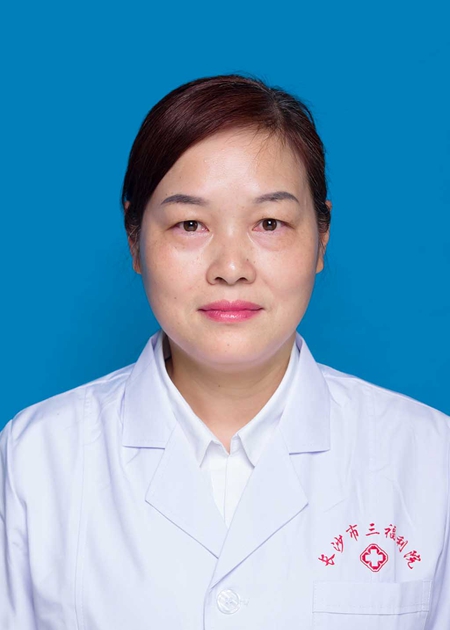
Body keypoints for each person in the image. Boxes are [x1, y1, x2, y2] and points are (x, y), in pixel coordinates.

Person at [0, 73, 448, 630]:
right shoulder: (33, 461)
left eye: (269, 223)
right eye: (190, 224)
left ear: (322, 237)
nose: (231, 268)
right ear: (135, 239)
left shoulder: (430, 459)